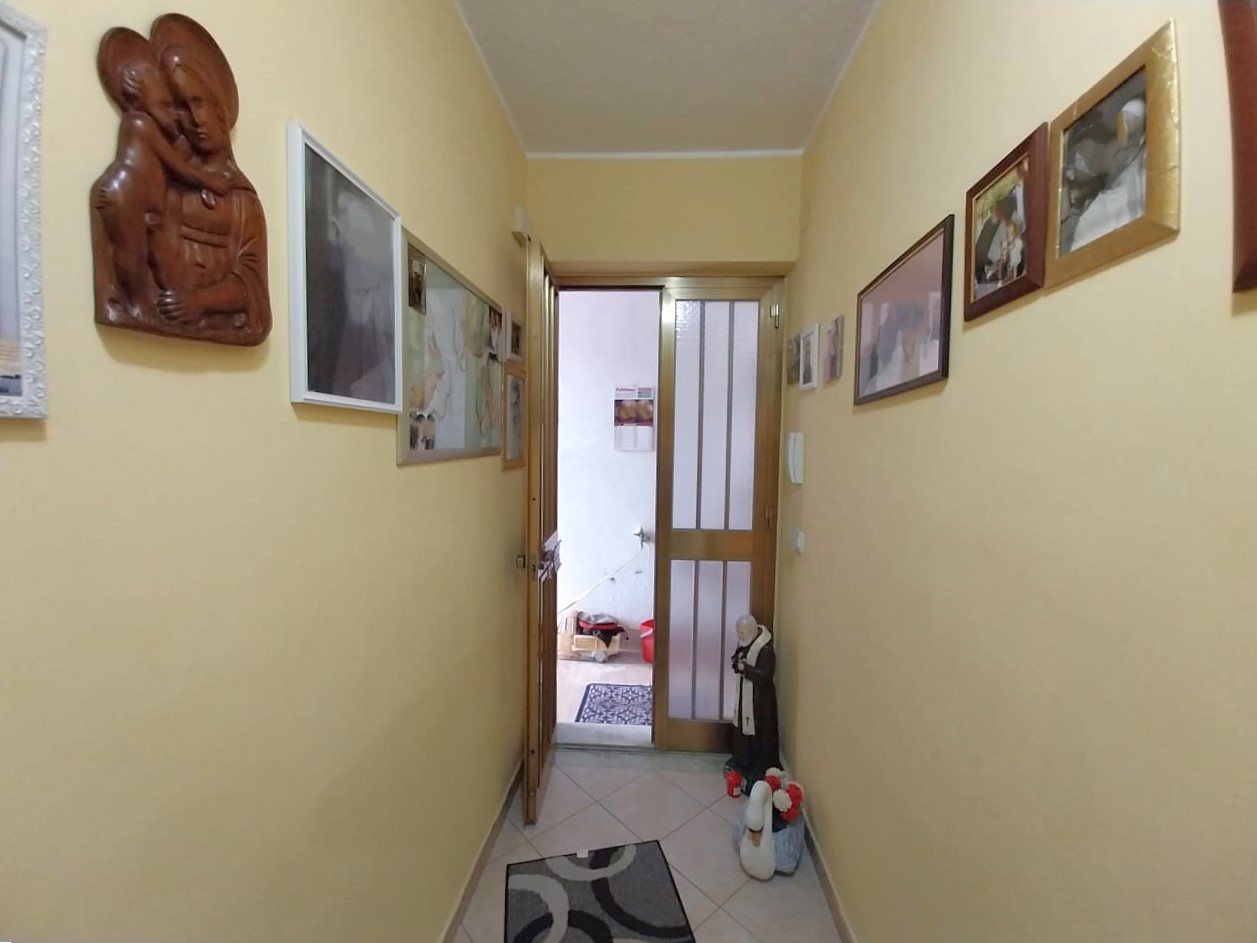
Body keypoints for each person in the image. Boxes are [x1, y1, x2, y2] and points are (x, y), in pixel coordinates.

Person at [91, 27, 232, 325]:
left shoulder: (241, 195)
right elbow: (177, 166)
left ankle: (156, 300)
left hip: (145, 206)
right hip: (127, 197)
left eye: (199, 103)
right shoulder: (141, 125)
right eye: (170, 106)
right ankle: (136, 304)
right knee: (132, 253)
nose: (182, 118)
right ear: (140, 103)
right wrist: (209, 180)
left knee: (151, 253)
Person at [727, 614, 781, 789]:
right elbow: (738, 658)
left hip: (760, 701)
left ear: (751, 631)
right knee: (742, 729)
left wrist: (746, 669)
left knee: (759, 733)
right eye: (738, 633)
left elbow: (766, 676)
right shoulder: (746, 642)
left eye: (742, 633)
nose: (740, 636)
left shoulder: (765, 649)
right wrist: (737, 664)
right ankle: (742, 760)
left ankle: (757, 766)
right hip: (745, 695)